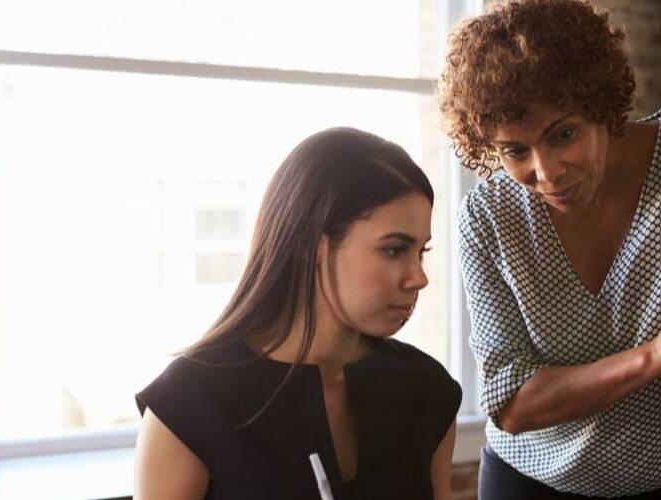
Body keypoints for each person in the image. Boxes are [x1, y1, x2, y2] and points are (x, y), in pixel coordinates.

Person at [436, 1, 661, 499]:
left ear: (604, 106)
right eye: (515, 151)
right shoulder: (486, 216)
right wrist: (654, 356)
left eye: (562, 134)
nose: (547, 173)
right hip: (527, 482)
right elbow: (510, 404)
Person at [132, 127, 462, 500]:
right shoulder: (187, 403)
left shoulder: (428, 390)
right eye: (393, 250)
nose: (418, 278)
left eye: (421, 253)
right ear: (310, 245)